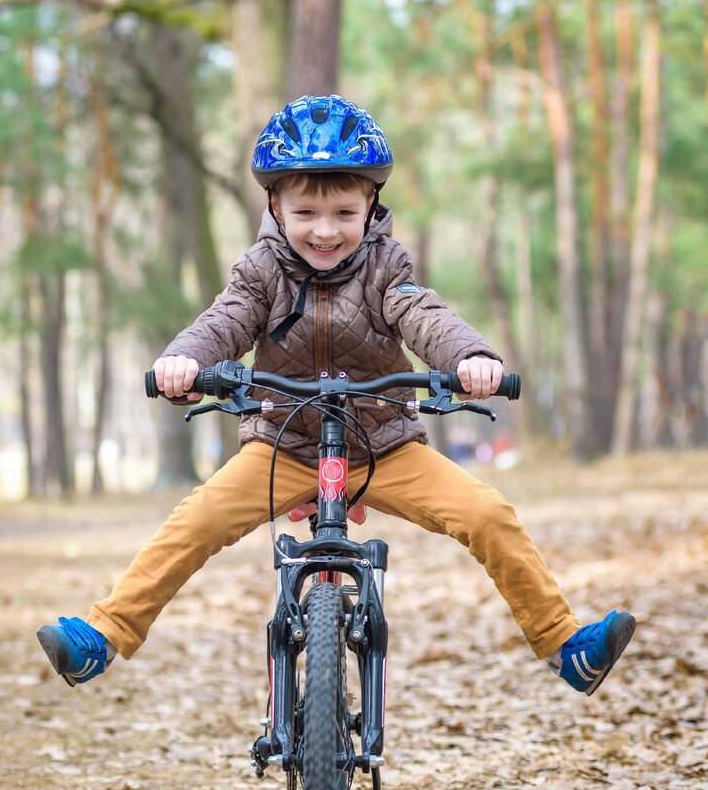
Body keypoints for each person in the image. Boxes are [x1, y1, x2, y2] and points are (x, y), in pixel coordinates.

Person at [36, 94, 634, 696]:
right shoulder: (260, 271)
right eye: (306, 214)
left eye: (345, 213)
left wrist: (471, 358)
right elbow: (226, 320)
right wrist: (184, 360)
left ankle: (563, 643)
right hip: (285, 444)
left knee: (487, 513)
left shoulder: (384, 267)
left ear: (370, 205)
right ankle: (104, 635)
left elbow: (423, 315)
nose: (326, 231)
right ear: (275, 205)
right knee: (194, 523)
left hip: (384, 447)